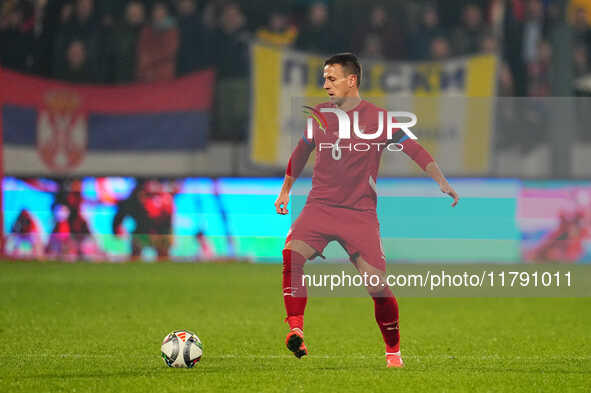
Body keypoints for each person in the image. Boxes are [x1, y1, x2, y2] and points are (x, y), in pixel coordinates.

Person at [274, 53, 459, 368]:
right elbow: (302, 150)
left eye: (331, 79)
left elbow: (413, 148)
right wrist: (286, 189)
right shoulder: (319, 115)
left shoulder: (380, 118)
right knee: (292, 256)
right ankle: (296, 330)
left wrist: (440, 180)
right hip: (319, 207)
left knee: (377, 286)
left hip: (359, 214)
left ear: (351, 80)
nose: (325, 85)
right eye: (324, 79)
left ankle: (393, 352)